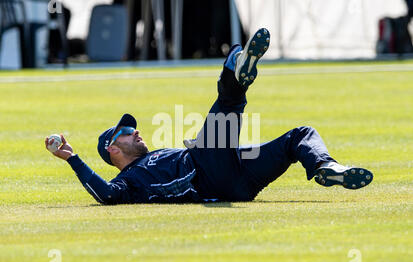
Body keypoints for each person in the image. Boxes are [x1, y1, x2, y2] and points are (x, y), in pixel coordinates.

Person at [45, 28, 373, 205]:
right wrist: (72, 158)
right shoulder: (127, 182)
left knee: (299, 136)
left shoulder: (152, 157)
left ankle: (325, 167)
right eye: (127, 132)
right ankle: (235, 70)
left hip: (241, 182)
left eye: (132, 128)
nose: (136, 132)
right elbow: (105, 194)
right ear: (113, 150)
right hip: (207, 174)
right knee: (224, 110)